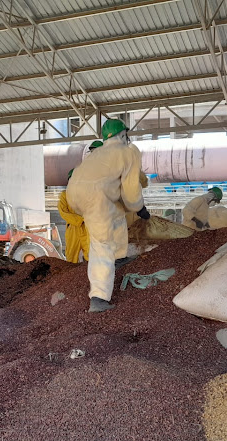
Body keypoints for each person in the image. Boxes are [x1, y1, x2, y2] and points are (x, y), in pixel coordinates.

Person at [66, 118, 149, 313]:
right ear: (123, 134)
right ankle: (99, 298)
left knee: (117, 214)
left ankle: (119, 256)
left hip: (74, 194)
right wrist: (139, 207)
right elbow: (131, 189)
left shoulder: (98, 153)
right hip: (96, 195)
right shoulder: (128, 151)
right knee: (101, 243)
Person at [59, 169, 90, 263]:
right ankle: (70, 276)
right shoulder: (64, 195)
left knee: (91, 254)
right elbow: (63, 212)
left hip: (87, 228)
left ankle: (89, 275)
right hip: (73, 229)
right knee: (71, 257)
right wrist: (81, 220)